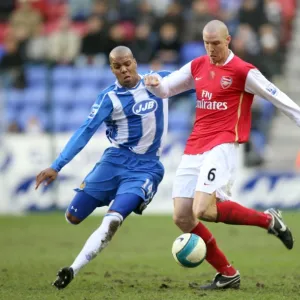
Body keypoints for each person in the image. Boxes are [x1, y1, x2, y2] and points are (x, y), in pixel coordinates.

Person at [144, 20, 298, 290]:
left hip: (223, 144)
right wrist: (155, 82)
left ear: (228, 41)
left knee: (202, 209)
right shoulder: (197, 66)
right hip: (195, 145)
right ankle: (230, 272)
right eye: (207, 43)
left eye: (216, 43)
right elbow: (166, 89)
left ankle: (267, 221)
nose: (211, 48)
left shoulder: (243, 71)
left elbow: (279, 98)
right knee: (182, 216)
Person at [35, 46, 171, 290]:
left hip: (146, 168)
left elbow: (196, 78)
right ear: (112, 69)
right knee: (73, 216)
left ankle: (72, 270)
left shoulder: (158, 82)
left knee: (112, 221)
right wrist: (57, 166)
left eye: (127, 63)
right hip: (114, 162)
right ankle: (107, 195)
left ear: (135, 62)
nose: (124, 69)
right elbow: (84, 132)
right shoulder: (108, 98)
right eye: (118, 66)